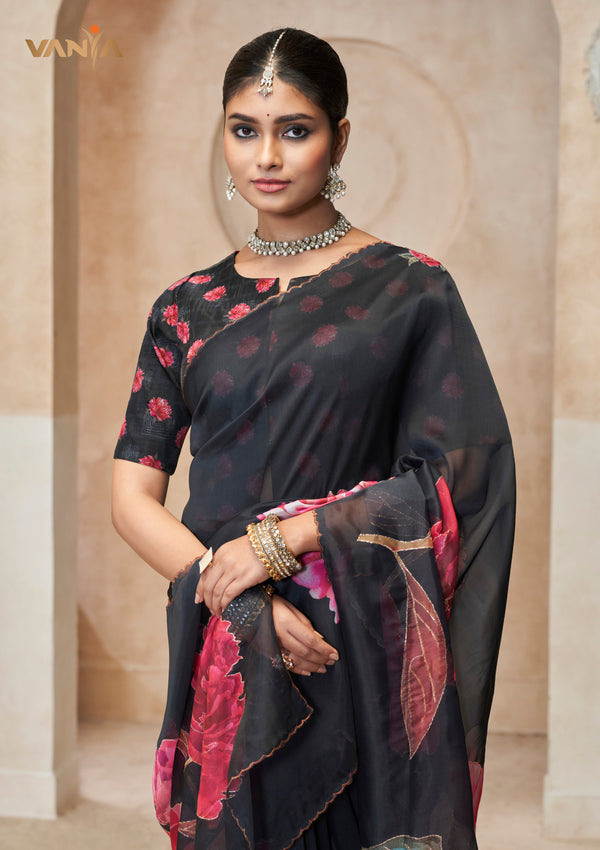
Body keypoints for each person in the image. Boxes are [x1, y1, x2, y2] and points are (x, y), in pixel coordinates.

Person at [112, 27, 515, 850]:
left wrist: (288, 540)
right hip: (228, 634)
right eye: (243, 128)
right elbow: (132, 494)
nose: (267, 155)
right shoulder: (185, 307)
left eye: (295, 130)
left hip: (357, 637)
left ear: (339, 138)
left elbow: (463, 474)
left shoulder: (412, 289)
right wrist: (238, 594)